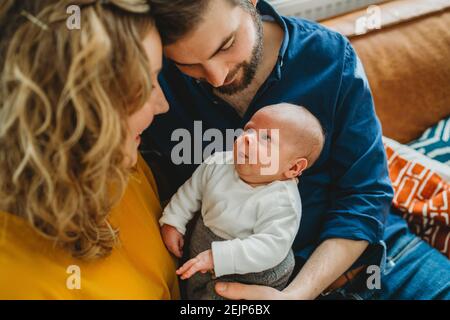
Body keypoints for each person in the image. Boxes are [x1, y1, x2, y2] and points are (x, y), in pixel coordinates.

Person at [144, 0, 450, 299]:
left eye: (226, 46)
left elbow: (365, 195)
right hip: (235, 285)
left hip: (379, 267)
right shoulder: (156, 88)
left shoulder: (327, 58)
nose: (217, 77)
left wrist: (298, 294)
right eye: (190, 64)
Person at [0, 0, 178, 299]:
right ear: (81, 111)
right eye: (147, 85)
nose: (163, 106)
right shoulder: (16, 279)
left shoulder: (119, 161)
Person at [160, 104, 324, 299]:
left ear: (294, 167)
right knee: (193, 288)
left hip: (254, 271)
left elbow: (270, 247)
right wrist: (173, 221)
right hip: (205, 241)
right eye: (249, 130)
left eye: (266, 138)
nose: (247, 138)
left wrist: (217, 257)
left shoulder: (282, 201)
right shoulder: (218, 163)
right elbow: (190, 192)